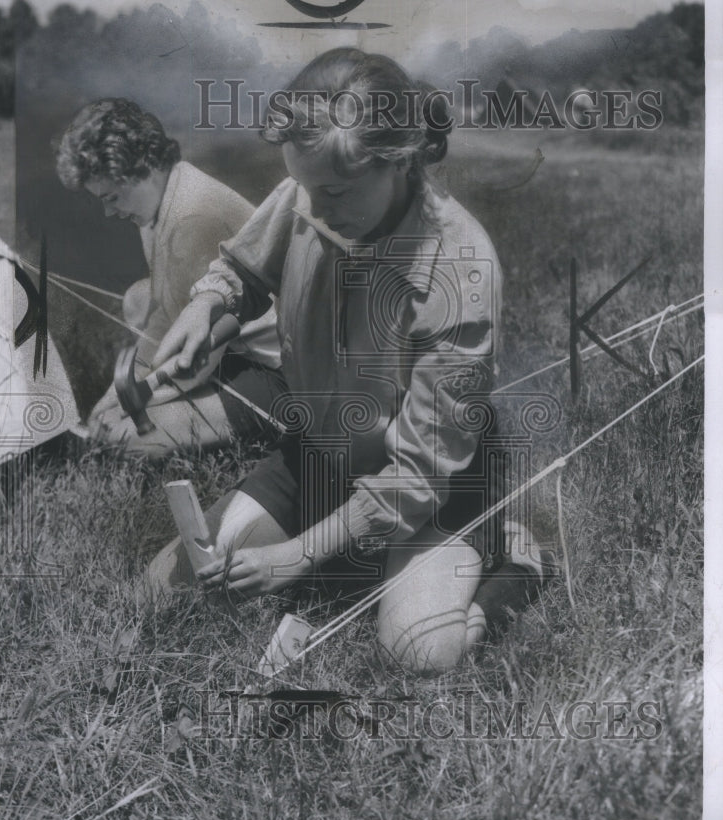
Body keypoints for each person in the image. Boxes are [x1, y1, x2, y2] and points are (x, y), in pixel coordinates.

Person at [147, 49, 547, 674]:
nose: (314, 209)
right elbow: (244, 270)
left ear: (401, 162)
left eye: (333, 193)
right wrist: (207, 307)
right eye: (304, 189)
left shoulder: (460, 266)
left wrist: (300, 554)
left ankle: (513, 559)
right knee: (167, 591)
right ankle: (350, 559)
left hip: (432, 484)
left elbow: (419, 476)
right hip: (321, 448)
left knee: (420, 651)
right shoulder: (312, 186)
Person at [55, 98, 286, 454]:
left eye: (112, 197)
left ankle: (261, 426)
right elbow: (168, 311)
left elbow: (196, 361)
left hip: (282, 371)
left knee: (128, 440)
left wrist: (133, 402)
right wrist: (118, 391)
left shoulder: (191, 220)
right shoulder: (165, 195)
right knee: (139, 297)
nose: (108, 211)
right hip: (233, 345)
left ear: (142, 167)